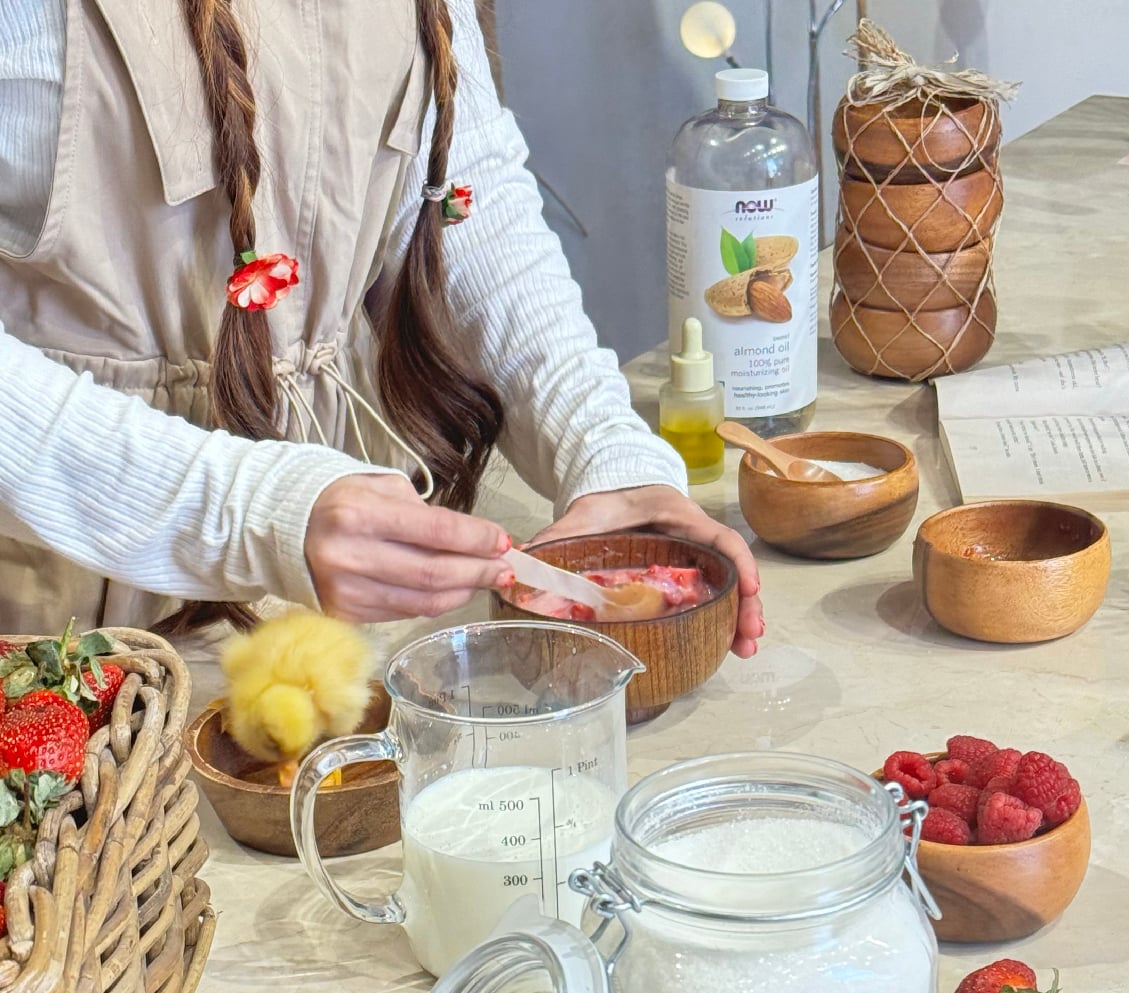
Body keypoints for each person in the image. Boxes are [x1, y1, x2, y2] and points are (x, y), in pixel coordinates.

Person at [0, 0, 763, 655]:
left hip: (331, 605)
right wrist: (251, 511)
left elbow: (457, 189)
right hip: (66, 632)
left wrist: (604, 449)